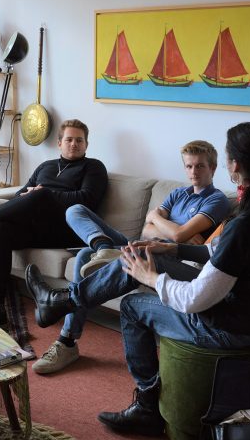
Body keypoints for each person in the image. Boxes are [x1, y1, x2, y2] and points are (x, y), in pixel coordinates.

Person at [26, 122, 250, 436]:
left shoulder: (245, 220)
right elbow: (220, 253)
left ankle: (146, 405)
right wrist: (173, 248)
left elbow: (195, 300)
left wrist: (152, 278)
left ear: (233, 165)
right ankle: (61, 301)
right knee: (144, 254)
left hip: (229, 328)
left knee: (132, 306)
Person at [32, 140, 231, 375]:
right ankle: (103, 246)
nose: (193, 172)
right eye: (189, 166)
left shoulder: (216, 200)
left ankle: (66, 340)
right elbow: (149, 229)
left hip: (166, 258)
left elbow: (177, 236)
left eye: (200, 166)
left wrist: (161, 221)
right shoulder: (179, 193)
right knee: (75, 211)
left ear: (213, 168)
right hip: (141, 244)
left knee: (85, 255)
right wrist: (167, 226)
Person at [0, 120, 108, 356]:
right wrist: (33, 195)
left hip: (66, 230)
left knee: (41, 195)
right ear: (59, 143)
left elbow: (86, 200)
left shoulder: (94, 167)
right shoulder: (46, 166)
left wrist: (45, 194)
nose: (74, 144)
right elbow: (19, 197)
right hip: (36, 226)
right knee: (2, 230)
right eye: (69, 139)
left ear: (86, 144)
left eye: (79, 140)